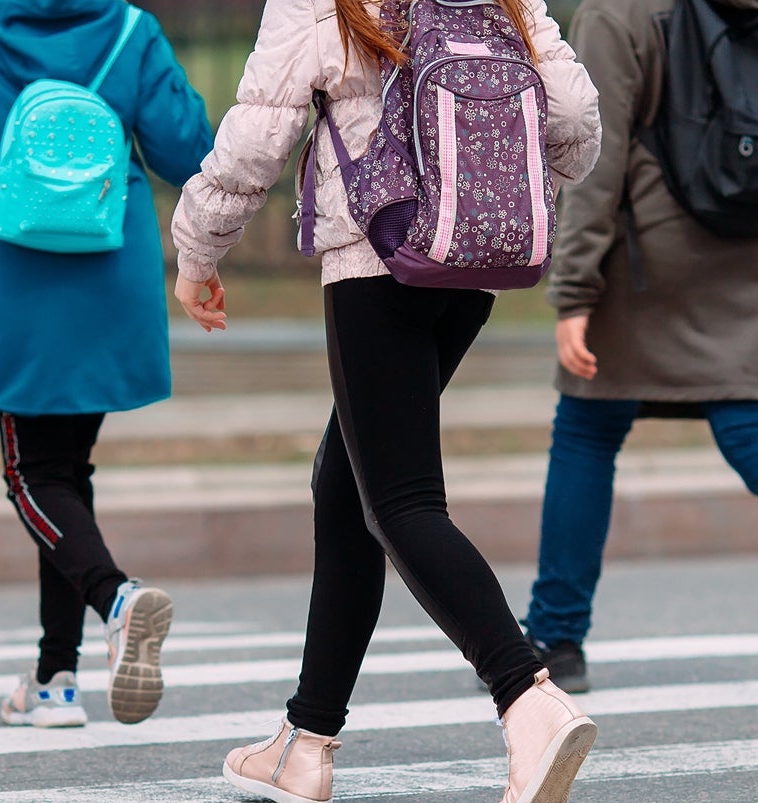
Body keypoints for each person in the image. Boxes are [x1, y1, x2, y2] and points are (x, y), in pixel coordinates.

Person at [169, 0, 603, 796]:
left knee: (399, 500)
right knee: (345, 484)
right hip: (474, 261)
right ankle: (307, 741)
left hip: (380, 256)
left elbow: (261, 130)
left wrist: (196, 247)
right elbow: (572, 111)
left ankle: (525, 696)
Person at [520, 0, 758, 707]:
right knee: (754, 427)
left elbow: (592, 163)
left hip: (647, 258)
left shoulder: (617, 11)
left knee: (587, 428)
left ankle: (557, 637)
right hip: (746, 236)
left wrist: (573, 290)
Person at [0, 0, 213, 728]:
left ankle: (116, 598)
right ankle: (56, 678)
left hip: (29, 280)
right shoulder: (129, 29)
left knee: (30, 476)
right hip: (112, 274)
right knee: (65, 476)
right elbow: (188, 152)